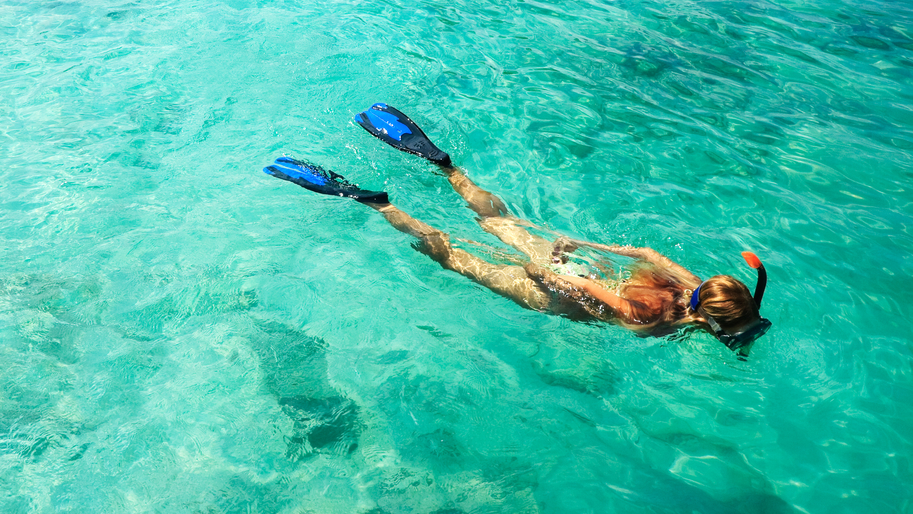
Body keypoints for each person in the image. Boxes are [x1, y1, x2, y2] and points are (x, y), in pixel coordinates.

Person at [264, 104, 772, 353]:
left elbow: (642, 249)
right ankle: (373, 203)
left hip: (577, 258)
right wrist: (542, 273)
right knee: (451, 255)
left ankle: (445, 167)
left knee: (497, 219)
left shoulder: (692, 284)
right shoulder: (653, 319)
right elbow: (588, 292)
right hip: (554, 287)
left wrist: (573, 247)